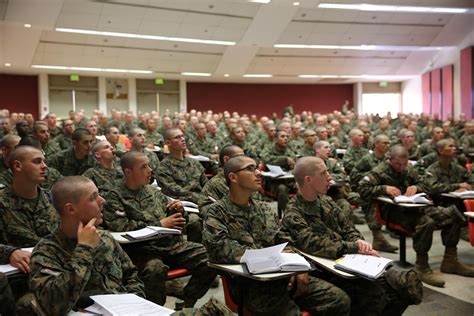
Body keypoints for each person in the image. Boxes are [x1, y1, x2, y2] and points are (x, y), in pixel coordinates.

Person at [203, 155, 351, 316]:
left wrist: (299, 267)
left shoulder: (263, 208)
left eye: (257, 168)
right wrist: (264, 255)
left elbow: (284, 239)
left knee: (338, 300)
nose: (258, 173)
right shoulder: (217, 212)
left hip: (282, 276)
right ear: (233, 177)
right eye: (250, 169)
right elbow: (218, 248)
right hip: (251, 284)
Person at [280, 156, 422, 315]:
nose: (330, 177)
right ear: (308, 179)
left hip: (348, 261)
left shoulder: (326, 201)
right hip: (325, 269)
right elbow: (315, 245)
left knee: (406, 285)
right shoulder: (294, 213)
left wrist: (359, 241)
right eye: (324, 173)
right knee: (376, 293)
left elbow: (348, 227)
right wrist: (355, 247)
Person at [102, 151, 217, 307]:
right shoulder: (114, 195)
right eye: (144, 167)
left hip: (170, 245)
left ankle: (188, 299)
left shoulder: (153, 192)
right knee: (154, 270)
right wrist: (160, 224)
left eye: (149, 165)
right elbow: (119, 226)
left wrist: (177, 211)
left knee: (211, 258)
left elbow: (178, 221)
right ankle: (154, 309)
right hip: (143, 250)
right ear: (128, 172)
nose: (150, 170)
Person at [359, 145, 474, 287]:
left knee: (453, 215)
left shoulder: (408, 169)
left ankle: (450, 260)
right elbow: (362, 188)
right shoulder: (379, 171)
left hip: (414, 207)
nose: (401, 167)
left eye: (404, 164)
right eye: (398, 164)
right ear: (389, 160)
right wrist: (384, 188)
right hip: (392, 211)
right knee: (426, 222)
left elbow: (426, 185)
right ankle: (422, 265)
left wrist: (417, 187)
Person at [28, 176, 145, 315]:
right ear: (71, 209)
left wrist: (135, 303)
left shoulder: (105, 237)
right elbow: (53, 305)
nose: (103, 201)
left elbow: (131, 275)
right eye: (93, 198)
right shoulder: (46, 252)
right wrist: (84, 249)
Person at [350, 134, 399, 253]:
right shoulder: (367, 159)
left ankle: (395, 229)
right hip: (365, 191)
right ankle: (378, 238)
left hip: (382, 190)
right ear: (376, 144)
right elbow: (354, 174)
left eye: (389, 143)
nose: (388, 146)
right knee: (371, 202)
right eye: (385, 143)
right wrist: (370, 175)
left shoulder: (387, 159)